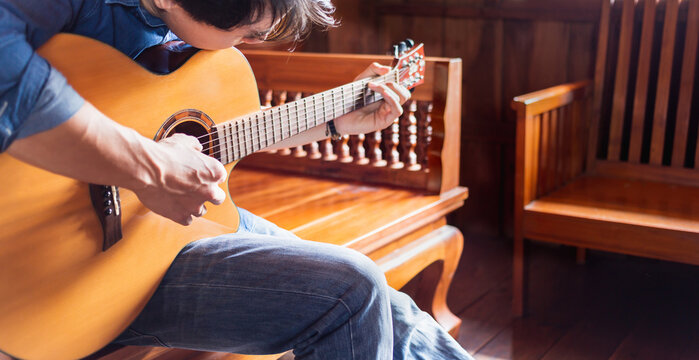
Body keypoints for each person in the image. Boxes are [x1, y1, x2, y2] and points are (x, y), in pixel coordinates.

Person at [0, 0, 474, 358]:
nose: (257, 38)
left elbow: (213, 133)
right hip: (60, 272)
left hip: (164, 234)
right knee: (354, 288)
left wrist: (335, 122)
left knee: (397, 313)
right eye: (247, 32)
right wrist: (147, 166)